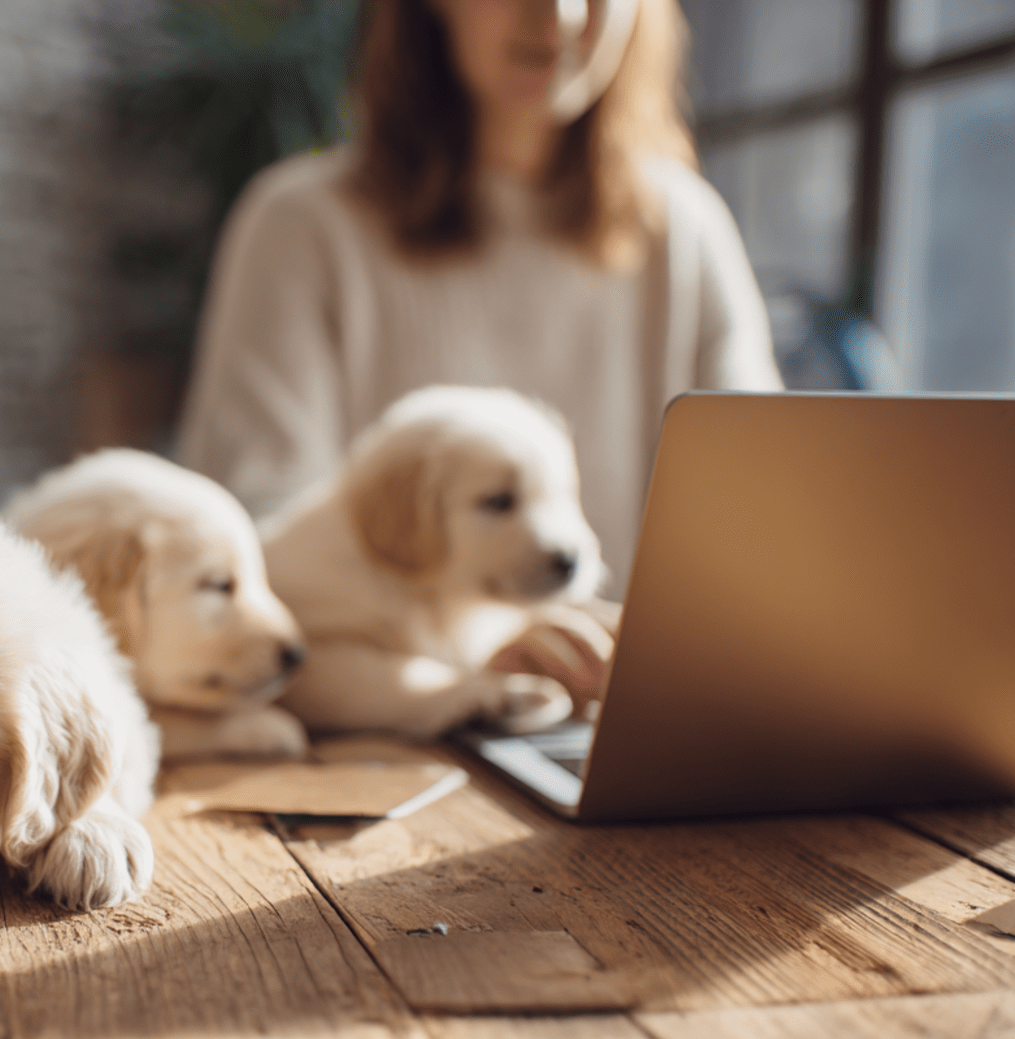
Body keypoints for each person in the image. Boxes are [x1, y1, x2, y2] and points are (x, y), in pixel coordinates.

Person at [178, 0, 781, 595]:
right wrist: (503, 642)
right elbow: (263, 548)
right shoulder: (298, 229)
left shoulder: (687, 230)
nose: (564, 16)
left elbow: (767, 521)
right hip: (387, 661)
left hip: (644, 662)